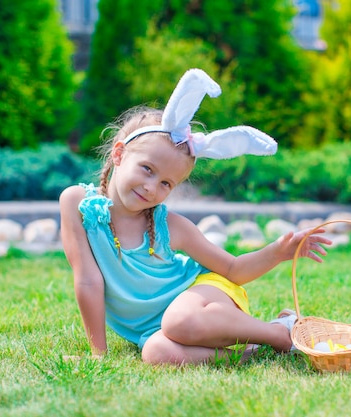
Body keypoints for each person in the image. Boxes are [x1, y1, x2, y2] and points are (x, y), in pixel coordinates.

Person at [59, 69, 331, 365]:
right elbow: (88, 281)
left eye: (166, 184)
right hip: (154, 330)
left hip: (205, 302)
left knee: (178, 320)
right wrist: (99, 354)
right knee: (156, 353)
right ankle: (252, 351)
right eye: (148, 169)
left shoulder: (170, 227)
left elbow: (233, 268)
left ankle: (278, 334)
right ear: (119, 154)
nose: (152, 188)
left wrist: (278, 252)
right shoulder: (77, 203)